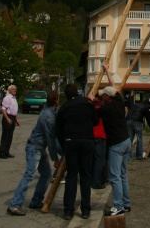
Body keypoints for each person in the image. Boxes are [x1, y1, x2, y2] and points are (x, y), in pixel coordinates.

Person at [6, 91, 60, 216]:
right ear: (56, 101)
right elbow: (50, 140)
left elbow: (56, 111)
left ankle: (36, 201)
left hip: (38, 147)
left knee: (46, 174)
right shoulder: (48, 117)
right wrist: (55, 159)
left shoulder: (49, 110)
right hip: (34, 147)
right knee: (29, 175)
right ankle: (14, 204)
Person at [55, 83, 97, 220]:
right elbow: (96, 121)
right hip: (86, 140)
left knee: (71, 176)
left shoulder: (63, 108)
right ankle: (85, 209)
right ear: (78, 93)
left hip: (70, 141)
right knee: (85, 175)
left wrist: (64, 145)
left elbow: (58, 130)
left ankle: (68, 210)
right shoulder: (87, 103)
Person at [99, 64, 132, 217]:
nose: (101, 97)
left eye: (103, 95)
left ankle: (118, 206)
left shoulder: (106, 110)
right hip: (126, 141)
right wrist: (107, 71)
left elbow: (95, 109)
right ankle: (126, 203)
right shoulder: (119, 102)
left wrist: (91, 99)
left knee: (115, 176)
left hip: (116, 145)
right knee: (123, 174)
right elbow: (114, 86)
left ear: (107, 97)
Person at [91, 93, 107, 189]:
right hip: (101, 135)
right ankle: (97, 181)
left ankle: (91, 180)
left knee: (92, 159)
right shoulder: (103, 107)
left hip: (90, 135)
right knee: (100, 160)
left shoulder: (89, 107)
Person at [0, 85, 21, 159]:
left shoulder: (14, 98)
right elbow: (3, 109)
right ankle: (2, 153)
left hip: (13, 117)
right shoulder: (7, 98)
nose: (15, 90)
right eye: (13, 89)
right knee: (5, 135)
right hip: (7, 117)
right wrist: (7, 119)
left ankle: (6, 151)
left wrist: (16, 120)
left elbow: (14, 111)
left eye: (15, 89)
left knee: (10, 136)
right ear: (9, 90)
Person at [125, 96, 148, 161]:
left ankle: (129, 157)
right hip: (137, 121)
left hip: (128, 120)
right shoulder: (145, 107)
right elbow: (148, 118)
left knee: (129, 139)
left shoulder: (134, 105)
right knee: (139, 138)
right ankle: (139, 155)